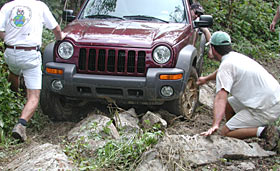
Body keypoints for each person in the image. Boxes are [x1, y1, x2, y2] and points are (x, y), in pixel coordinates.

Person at [197, 31, 280, 151]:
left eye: (210, 47)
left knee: (224, 132)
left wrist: (215, 124)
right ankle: (239, 129)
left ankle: (266, 132)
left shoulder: (226, 66)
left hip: (266, 108)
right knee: (229, 105)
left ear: (213, 49)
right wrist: (206, 79)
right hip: (273, 98)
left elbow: (221, 98)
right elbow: (221, 71)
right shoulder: (234, 57)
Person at [0, 0, 63, 142]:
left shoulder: (8, 6)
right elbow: (57, 29)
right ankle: (21, 124)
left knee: (14, 72)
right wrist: (60, 39)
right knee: (34, 96)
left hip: (10, 52)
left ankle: (14, 98)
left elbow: (0, 29)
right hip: (30, 54)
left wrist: (10, 39)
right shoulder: (39, 6)